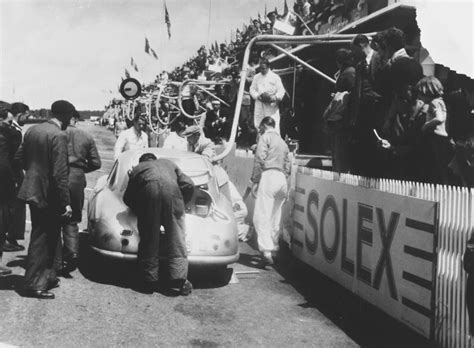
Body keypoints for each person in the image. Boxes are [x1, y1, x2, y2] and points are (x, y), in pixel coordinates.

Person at [15, 100, 74, 299]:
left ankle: (46, 276)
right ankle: (34, 284)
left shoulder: (33, 131)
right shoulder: (58, 135)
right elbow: (60, 174)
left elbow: (19, 159)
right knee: (42, 239)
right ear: (65, 116)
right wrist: (66, 201)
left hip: (32, 189)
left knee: (46, 235)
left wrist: (33, 173)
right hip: (48, 194)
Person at [123, 153, 195, 295]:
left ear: (142, 161)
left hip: (150, 197)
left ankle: (149, 281)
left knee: (149, 239)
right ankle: (178, 281)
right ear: (155, 159)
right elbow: (189, 184)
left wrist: (141, 210)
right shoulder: (169, 163)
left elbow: (128, 197)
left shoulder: (138, 168)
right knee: (177, 239)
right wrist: (182, 203)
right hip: (173, 195)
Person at [59, 110, 101, 275]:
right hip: (77, 178)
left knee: (55, 218)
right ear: (74, 119)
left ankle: (55, 259)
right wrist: (81, 169)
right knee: (73, 219)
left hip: (59, 176)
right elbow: (96, 163)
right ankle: (71, 253)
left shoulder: (58, 133)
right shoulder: (86, 136)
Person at [251, 117, 291, 267]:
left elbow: (260, 159)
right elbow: (288, 165)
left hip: (269, 175)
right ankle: (274, 248)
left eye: (260, 127)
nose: (259, 130)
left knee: (261, 215)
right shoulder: (283, 142)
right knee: (276, 216)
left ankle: (266, 251)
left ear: (265, 125)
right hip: (282, 179)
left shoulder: (264, 137)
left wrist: (255, 180)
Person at [417, 76, 452, 184]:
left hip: (436, 137)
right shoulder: (440, 101)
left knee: (435, 164)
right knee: (441, 165)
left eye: (420, 94)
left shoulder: (434, 103)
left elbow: (440, 118)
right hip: (442, 138)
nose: (419, 97)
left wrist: (426, 125)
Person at [3, 102, 27, 252]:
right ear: (20, 114)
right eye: (27, 115)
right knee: (13, 208)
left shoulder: (13, 130)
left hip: (11, 173)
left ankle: (10, 237)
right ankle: (8, 238)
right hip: (12, 175)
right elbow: (12, 158)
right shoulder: (13, 132)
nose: (28, 118)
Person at [0, 103, 18, 276]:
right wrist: (12, 182)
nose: (10, 126)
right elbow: (4, 164)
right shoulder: (4, 137)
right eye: (8, 122)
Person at [250, 58, 286, 134]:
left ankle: (274, 144)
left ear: (268, 67)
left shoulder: (275, 77)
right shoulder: (256, 77)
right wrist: (257, 96)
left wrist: (275, 97)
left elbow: (281, 90)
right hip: (260, 104)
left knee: (272, 126)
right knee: (259, 125)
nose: (262, 70)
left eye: (264, 69)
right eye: (260, 68)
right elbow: (252, 89)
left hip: (271, 106)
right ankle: (261, 144)